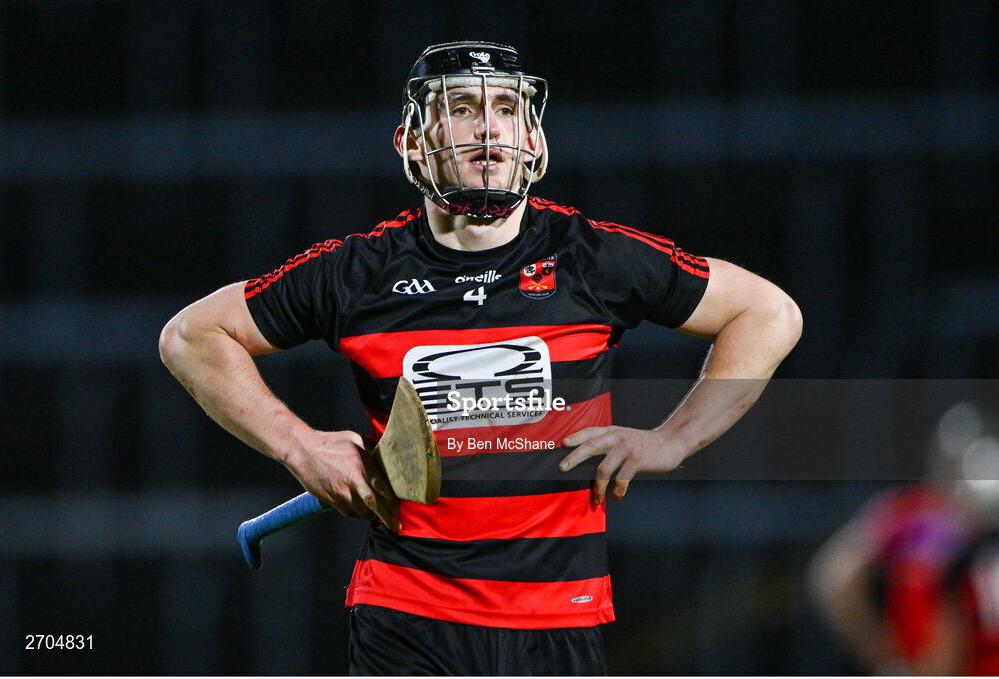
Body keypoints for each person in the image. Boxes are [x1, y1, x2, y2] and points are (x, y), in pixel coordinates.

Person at [159, 41, 802, 675]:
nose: (489, 126)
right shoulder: (357, 272)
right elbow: (191, 336)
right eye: (462, 107)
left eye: (508, 109)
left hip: (559, 620)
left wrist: (675, 439)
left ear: (534, 139)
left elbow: (768, 314)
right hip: (407, 616)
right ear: (411, 142)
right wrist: (299, 446)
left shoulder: (591, 257)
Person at [808, 401, 999, 675]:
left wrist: (877, 650)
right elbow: (837, 577)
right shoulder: (908, 517)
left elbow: (836, 578)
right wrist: (877, 648)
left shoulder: (908, 516)